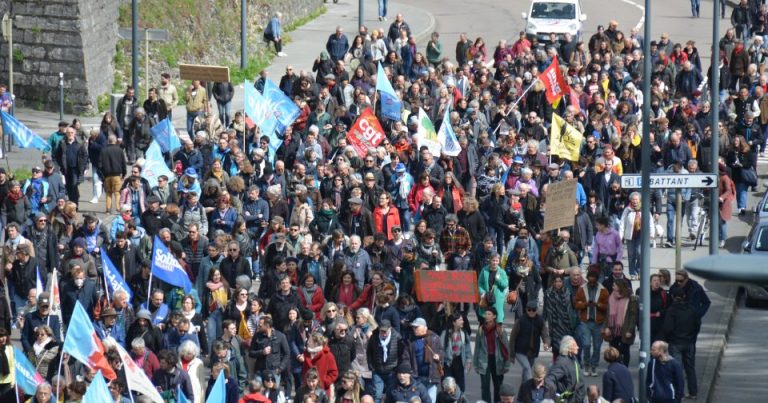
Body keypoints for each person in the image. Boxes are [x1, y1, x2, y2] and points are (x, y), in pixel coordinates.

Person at [662, 287, 701, 400]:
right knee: (690, 368)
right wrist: (692, 336)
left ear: (672, 297)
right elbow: (697, 324)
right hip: (689, 342)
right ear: (684, 296)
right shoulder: (691, 309)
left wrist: (668, 339)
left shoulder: (671, 310)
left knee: (677, 369)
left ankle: (680, 393)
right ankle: (693, 392)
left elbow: (668, 328)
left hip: (676, 342)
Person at [400, 317, 443, 403]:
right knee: (416, 400)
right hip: (417, 377)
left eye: (416, 327)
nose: (414, 329)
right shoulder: (411, 341)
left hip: (432, 377)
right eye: (413, 327)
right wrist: (409, 371)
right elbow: (405, 357)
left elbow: (442, 351)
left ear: (424, 327)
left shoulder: (435, 338)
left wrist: (439, 356)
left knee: (430, 400)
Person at [473, 308, 510, 403]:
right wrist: (475, 364)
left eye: (489, 314)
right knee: (485, 386)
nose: (486, 316)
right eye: (485, 314)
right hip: (484, 360)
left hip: (497, 360)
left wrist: (507, 364)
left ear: (494, 316)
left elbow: (506, 348)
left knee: (498, 386)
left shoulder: (500, 330)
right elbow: (477, 347)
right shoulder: (481, 330)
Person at [602, 278, 638, 367]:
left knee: (625, 350)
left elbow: (633, 316)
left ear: (620, 286)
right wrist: (606, 327)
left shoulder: (630, 298)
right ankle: (614, 367)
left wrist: (630, 330)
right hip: (613, 329)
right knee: (613, 350)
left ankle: (624, 368)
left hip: (625, 329)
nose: (613, 287)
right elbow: (607, 314)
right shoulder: (611, 297)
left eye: (614, 285)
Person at [545, 335, 585, 403]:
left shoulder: (573, 358)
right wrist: (556, 395)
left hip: (577, 398)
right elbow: (549, 379)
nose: (577, 347)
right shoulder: (561, 362)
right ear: (568, 348)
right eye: (574, 345)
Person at [440, 313, 472, 392]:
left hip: (459, 361)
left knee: (460, 385)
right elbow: (440, 349)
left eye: (462, 320)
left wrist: (469, 360)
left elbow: (467, 348)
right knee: (447, 384)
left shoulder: (464, 333)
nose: (462, 321)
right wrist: (440, 364)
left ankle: (460, 397)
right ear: (454, 322)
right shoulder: (445, 333)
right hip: (447, 363)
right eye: (460, 320)